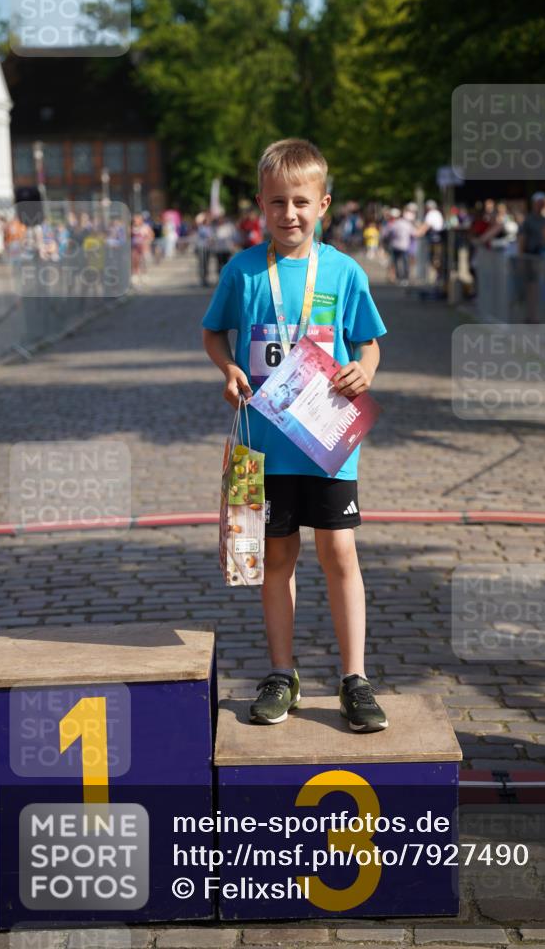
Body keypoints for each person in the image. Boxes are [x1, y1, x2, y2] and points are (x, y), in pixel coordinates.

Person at [202, 137, 389, 732]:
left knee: (340, 554)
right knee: (276, 558)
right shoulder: (242, 270)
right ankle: (281, 673)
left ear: (324, 204)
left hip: (328, 440)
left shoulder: (343, 270)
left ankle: (354, 679)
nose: (289, 214)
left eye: (301, 202)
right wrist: (229, 368)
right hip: (265, 445)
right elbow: (214, 334)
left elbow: (369, 341)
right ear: (260, 203)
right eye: (277, 201)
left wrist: (366, 369)